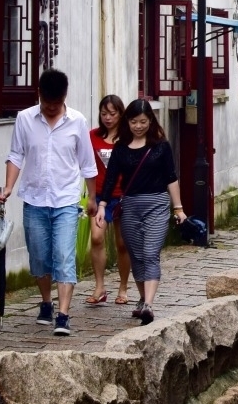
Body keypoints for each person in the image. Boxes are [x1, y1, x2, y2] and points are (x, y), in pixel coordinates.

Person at [0, 69, 97, 337]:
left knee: (64, 256)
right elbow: (16, 155)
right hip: (34, 199)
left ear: (65, 96)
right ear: (39, 94)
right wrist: (8, 187)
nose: (51, 108)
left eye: (56, 103)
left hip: (66, 200)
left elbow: (87, 164)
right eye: (47, 103)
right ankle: (46, 302)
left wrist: (92, 198)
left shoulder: (77, 121)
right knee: (39, 258)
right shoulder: (25, 119)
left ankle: (63, 315)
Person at [97, 98, 187, 326]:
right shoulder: (120, 148)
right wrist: (102, 205)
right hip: (130, 206)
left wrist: (178, 208)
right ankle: (142, 298)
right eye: (134, 122)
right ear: (127, 121)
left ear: (151, 121)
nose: (138, 126)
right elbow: (110, 179)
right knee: (136, 255)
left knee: (150, 253)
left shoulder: (161, 147)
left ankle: (148, 304)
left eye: (143, 122)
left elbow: (171, 178)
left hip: (157, 204)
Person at [85, 94, 132, 306]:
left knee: (122, 244)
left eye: (112, 114)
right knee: (96, 238)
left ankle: (123, 287)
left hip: (122, 196)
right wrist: (90, 197)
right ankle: (99, 286)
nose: (108, 118)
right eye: (104, 113)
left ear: (121, 114)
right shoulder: (92, 136)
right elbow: (87, 167)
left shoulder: (127, 138)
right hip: (99, 195)